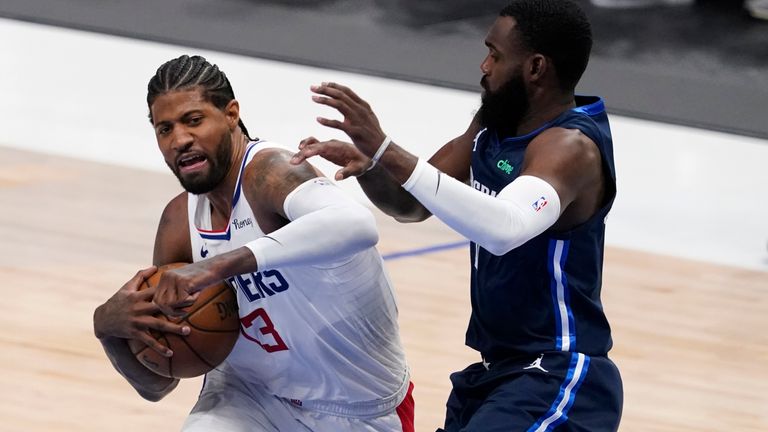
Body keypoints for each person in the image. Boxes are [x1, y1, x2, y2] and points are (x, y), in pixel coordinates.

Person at [291, 1, 623, 430]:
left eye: (496, 55)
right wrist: (371, 166)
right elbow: (410, 204)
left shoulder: (570, 148)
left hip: (559, 373)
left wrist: (386, 149)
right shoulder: (495, 124)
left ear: (536, 67)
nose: (483, 66)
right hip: (498, 374)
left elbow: (506, 228)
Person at [92, 54, 414, 432]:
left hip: (357, 407)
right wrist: (109, 329)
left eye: (193, 120)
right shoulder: (179, 223)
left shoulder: (271, 172)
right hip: (247, 397)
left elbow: (357, 224)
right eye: (165, 129)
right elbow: (160, 382)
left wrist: (217, 265)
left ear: (231, 114)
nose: (179, 139)